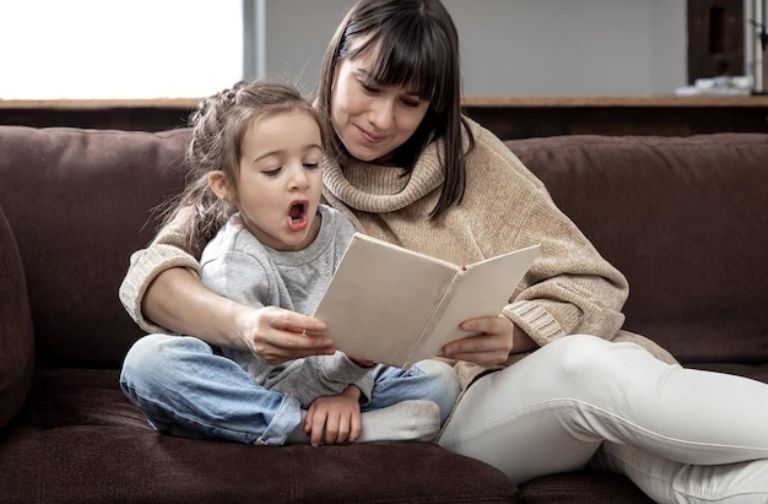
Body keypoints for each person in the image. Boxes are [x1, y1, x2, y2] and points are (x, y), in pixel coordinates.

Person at [119, 0, 768, 501]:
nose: (382, 117)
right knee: (589, 373)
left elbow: (592, 283)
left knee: (690, 477)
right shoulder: (276, 147)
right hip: (428, 410)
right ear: (335, 61)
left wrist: (511, 332)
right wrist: (246, 324)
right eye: (369, 86)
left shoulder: (468, 157)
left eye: (410, 101)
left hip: (498, 386)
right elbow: (154, 276)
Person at [119, 80, 460, 447]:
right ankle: (307, 428)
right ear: (225, 186)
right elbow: (268, 383)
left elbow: (368, 342)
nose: (299, 179)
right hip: (264, 392)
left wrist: (349, 392)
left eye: (311, 163)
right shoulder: (231, 262)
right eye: (272, 170)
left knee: (438, 379)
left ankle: (287, 426)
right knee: (149, 364)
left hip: (338, 386)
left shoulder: (340, 231)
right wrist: (345, 374)